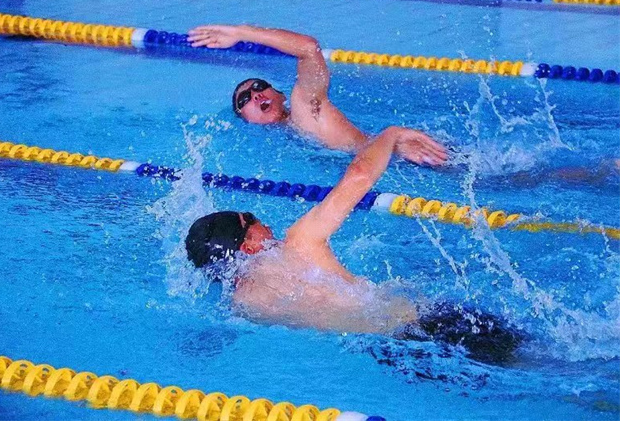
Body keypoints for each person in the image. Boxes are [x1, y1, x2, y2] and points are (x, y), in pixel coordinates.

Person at [185, 126, 522, 364]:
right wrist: (390, 135)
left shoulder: (243, 306)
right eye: (250, 218)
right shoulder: (298, 243)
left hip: (391, 355)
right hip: (430, 326)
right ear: (247, 245)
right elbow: (360, 174)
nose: (263, 222)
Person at [187, 24, 448, 167]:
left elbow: (309, 49)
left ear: (280, 95)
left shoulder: (305, 107)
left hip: (406, 156)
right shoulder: (284, 137)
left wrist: (242, 33)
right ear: (245, 120)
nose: (255, 95)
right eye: (244, 100)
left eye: (259, 86)